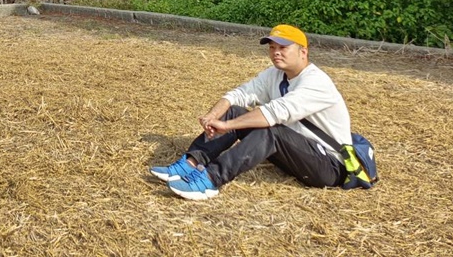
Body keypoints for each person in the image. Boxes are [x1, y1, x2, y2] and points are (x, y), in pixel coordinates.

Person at [150, 24, 352, 201]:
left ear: (303, 52)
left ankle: (211, 179)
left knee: (269, 130)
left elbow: (275, 113)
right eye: (272, 48)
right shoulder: (275, 75)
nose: (276, 53)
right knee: (235, 111)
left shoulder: (316, 82)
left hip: (329, 166)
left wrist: (227, 126)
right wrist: (214, 115)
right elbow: (239, 94)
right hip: (298, 150)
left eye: (283, 47)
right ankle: (191, 163)